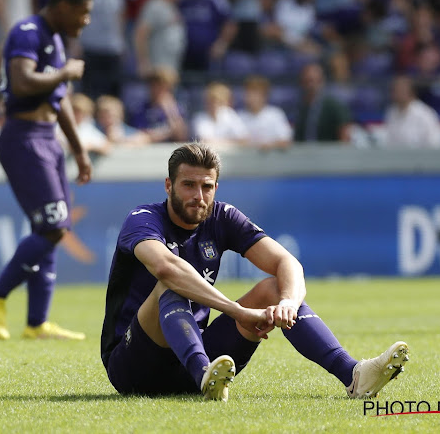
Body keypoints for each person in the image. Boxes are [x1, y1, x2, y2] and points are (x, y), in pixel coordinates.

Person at [100, 143, 409, 401]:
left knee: (275, 288)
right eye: (188, 185)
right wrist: (236, 311)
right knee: (170, 283)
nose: (198, 195)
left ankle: (354, 374)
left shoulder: (222, 216)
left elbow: (287, 263)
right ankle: (204, 375)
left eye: (206, 186)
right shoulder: (142, 219)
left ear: (216, 187)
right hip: (133, 365)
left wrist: (288, 302)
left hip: (200, 353)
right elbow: (167, 267)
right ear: (169, 186)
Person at [0, 0, 94, 341]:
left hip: (48, 140)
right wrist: (65, 71)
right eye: (83, 12)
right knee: (54, 226)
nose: (86, 21)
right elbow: (24, 81)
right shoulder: (28, 31)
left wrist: (78, 149)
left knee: (51, 228)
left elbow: (58, 102)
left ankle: (36, 323)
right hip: (23, 138)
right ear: (63, 6)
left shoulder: (58, 41)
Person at [293, 62, 352, 143]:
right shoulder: (300, 106)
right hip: (304, 153)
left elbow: (344, 133)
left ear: (322, 81)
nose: (310, 85)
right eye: (306, 81)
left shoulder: (333, 105)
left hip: (330, 153)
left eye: (313, 80)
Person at [383, 75, 440, 148]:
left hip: (421, 157)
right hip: (396, 157)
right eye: (395, 90)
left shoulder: (425, 114)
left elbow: (434, 143)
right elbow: (390, 142)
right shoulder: (391, 112)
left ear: (411, 92)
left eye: (401, 90)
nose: (397, 94)